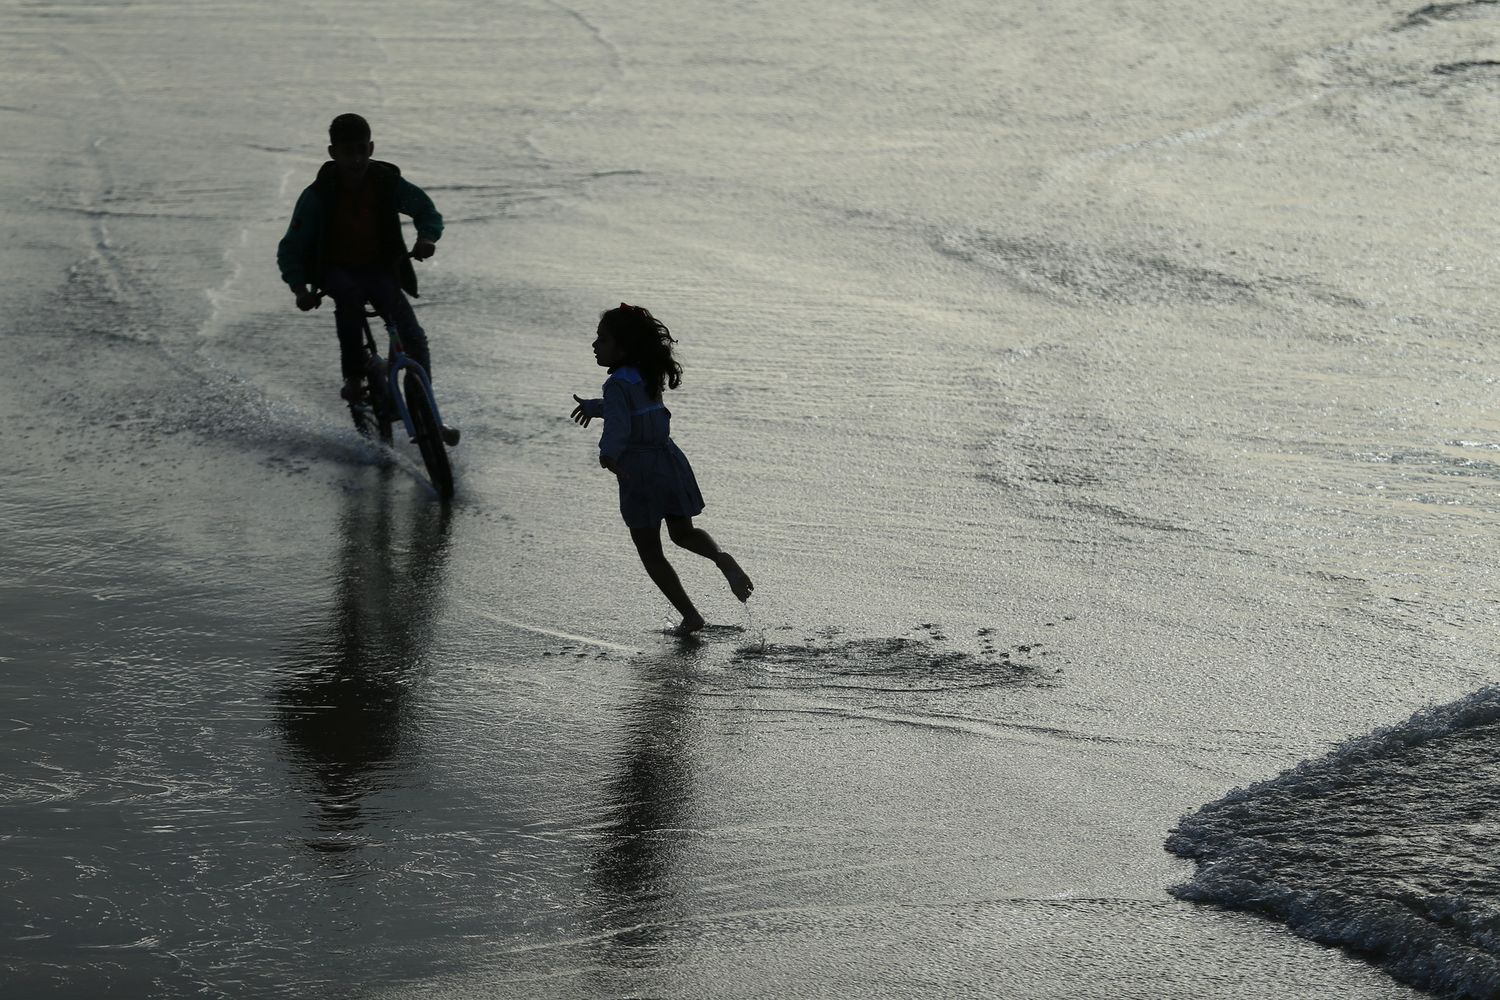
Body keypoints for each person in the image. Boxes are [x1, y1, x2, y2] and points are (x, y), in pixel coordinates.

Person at [571, 304, 753, 634]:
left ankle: (691, 616)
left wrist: (607, 454)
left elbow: (619, 425)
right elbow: (631, 413)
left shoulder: (615, 385)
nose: (595, 345)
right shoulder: (645, 372)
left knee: (651, 552)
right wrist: (594, 408)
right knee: (683, 533)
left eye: (602, 339)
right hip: (669, 462)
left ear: (622, 346)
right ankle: (721, 559)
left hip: (639, 473)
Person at [276, 113, 453, 440]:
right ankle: (355, 380)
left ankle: (430, 414)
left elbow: (426, 212)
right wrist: (300, 289)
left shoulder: (387, 184)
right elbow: (291, 248)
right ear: (333, 153)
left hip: (380, 270)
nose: (356, 159)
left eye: (361, 150)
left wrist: (427, 238)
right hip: (336, 271)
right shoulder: (317, 196)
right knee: (349, 299)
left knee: (413, 337)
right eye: (347, 152)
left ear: (371, 147)